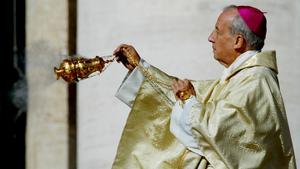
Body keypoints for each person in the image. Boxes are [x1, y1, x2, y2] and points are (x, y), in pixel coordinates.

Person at [111, 5, 296, 169]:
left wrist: (187, 100)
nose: (211, 38)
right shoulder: (240, 77)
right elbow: (189, 95)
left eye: (217, 31)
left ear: (238, 41)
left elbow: (225, 135)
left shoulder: (256, 80)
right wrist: (141, 68)